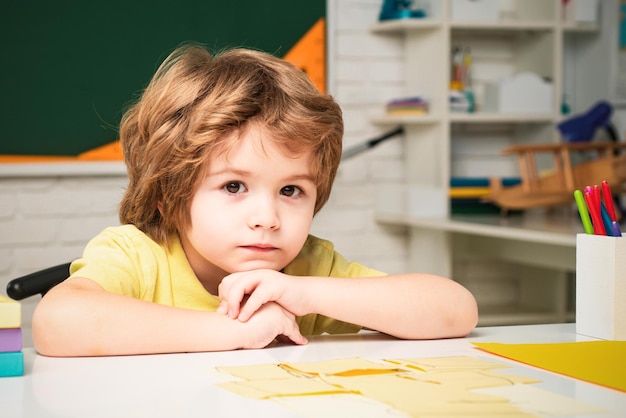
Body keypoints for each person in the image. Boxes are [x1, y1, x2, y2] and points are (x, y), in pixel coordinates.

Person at [32, 44, 478, 357]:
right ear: (167, 195)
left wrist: (304, 292)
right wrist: (231, 331)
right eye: (233, 187)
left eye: (291, 191)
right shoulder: (137, 256)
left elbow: (456, 310)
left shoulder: (305, 268)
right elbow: (56, 323)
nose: (267, 219)